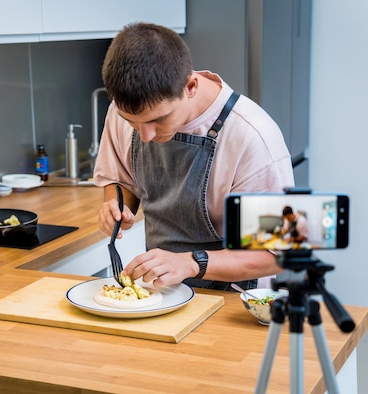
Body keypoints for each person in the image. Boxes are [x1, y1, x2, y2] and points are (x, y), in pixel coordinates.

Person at [93, 22, 294, 291]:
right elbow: (121, 179)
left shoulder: (252, 135)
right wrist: (117, 206)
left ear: (190, 86)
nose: (146, 136)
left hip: (233, 303)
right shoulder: (122, 112)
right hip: (161, 292)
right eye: (132, 123)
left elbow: (278, 253)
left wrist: (189, 264)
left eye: (158, 121)